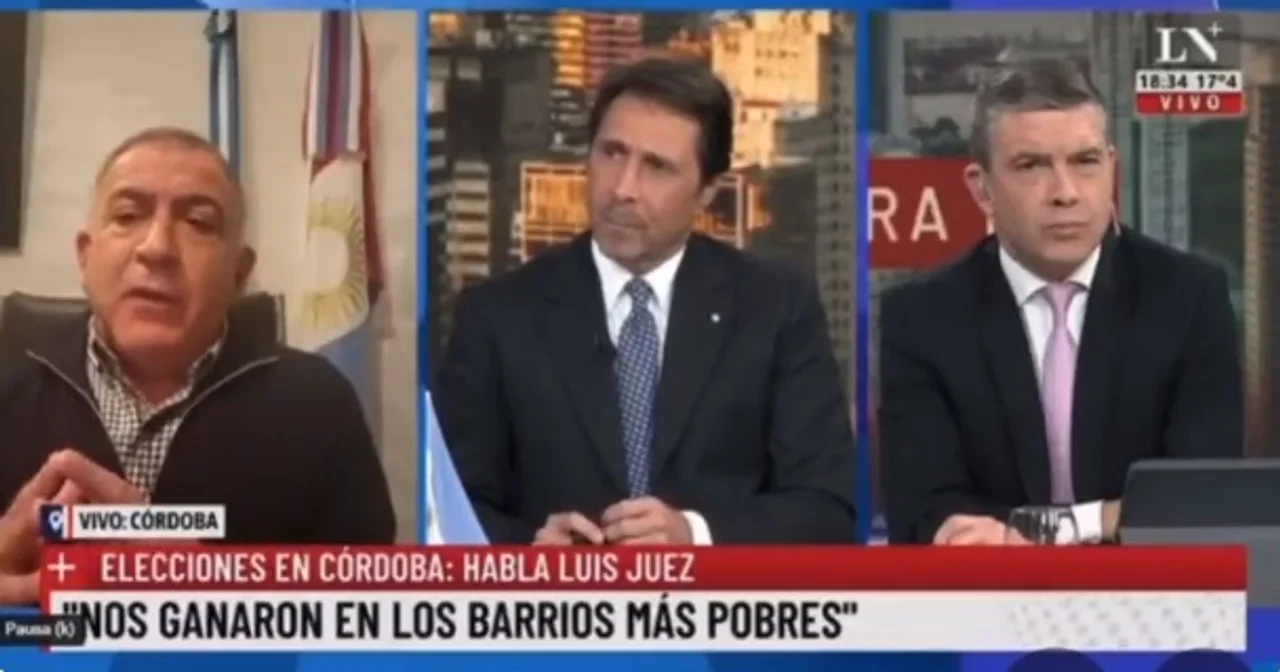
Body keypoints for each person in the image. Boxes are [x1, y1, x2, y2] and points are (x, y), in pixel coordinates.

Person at [434, 57, 856, 545]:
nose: (623, 188)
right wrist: (531, 550)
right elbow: (451, 509)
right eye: (612, 153)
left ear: (706, 192)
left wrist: (694, 536)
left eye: (657, 167)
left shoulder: (775, 309)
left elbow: (826, 509)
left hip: (720, 596)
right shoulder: (498, 316)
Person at [879, 58, 1243, 546]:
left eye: (1085, 162)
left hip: (1147, 588)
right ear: (981, 189)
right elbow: (926, 514)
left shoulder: (1189, 298)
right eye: (1032, 166)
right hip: (988, 590)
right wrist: (1106, 517)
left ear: (1112, 169)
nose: (1065, 193)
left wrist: (1041, 531)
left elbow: (1201, 502)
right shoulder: (922, 319)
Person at [0, 127, 396, 557]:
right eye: (128, 216)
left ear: (239, 273)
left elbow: (366, 589)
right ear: (85, 255)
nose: (157, 248)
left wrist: (216, 585)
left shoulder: (318, 404)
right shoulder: (9, 390)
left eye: (199, 223)